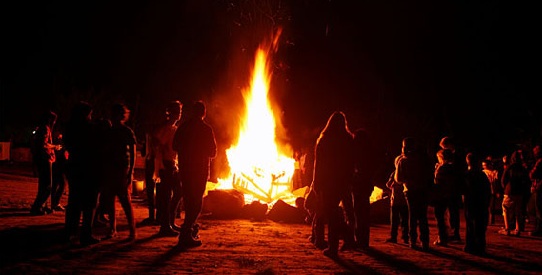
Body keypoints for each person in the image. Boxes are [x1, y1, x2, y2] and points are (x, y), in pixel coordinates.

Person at [310, 111, 355, 258]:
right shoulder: (348, 140)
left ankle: (335, 246)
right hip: (343, 182)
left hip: (329, 183)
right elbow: (351, 163)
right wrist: (349, 179)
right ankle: (347, 238)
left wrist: (316, 184)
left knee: (331, 214)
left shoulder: (325, 140)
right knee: (336, 213)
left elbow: (319, 165)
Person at [172, 100, 217, 248]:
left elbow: (174, 145)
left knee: (189, 199)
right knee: (196, 202)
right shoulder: (206, 129)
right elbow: (212, 152)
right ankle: (186, 233)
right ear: (203, 113)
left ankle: (189, 230)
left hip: (185, 169)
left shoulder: (184, 127)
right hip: (199, 170)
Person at [63, 101, 101, 246]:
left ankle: (70, 232)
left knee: (74, 201)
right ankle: (86, 233)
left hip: (74, 166)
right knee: (90, 203)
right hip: (88, 168)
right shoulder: (89, 128)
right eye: (90, 114)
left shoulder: (69, 128)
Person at [101, 103, 137, 240]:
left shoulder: (126, 131)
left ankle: (132, 230)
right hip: (110, 168)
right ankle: (112, 228)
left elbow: (133, 153)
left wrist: (130, 171)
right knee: (110, 200)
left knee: (124, 199)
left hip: (121, 169)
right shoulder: (109, 132)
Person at [394, 137, 433, 251]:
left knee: (412, 215)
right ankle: (425, 241)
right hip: (423, 190)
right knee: (423, 216)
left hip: (410, 190)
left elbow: (398, 178)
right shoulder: (423, 159)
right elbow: (429, 175)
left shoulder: (403, 160)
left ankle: (413, 240)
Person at [153, 100, 183, 236]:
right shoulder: (166, 128)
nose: (179, 114)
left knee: (177, 192)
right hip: (166, 164)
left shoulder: (174, 129)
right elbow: (158, 144)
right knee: (166, 196)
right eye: (177, 112)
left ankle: (170, 222)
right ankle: (165, 226)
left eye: (180, 112)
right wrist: (161, 164)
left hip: (172, 164)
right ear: (171, 113)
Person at [351, 128, 379, 248]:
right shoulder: (371, 152)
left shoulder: (357, 152)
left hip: (359, 184)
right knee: (364, 212)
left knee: (357, 212)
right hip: (367, 185)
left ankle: (359, 238)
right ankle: (364, 240)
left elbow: (355, 168)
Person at [30, 110, 61, 215]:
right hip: (45, 159)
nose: (55, 123)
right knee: (48, 186)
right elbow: (43, 144)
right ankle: (36, 207)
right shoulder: (45, 129)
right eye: (54, 120)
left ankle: (41, 206)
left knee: (43, 185)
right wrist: (55, 146)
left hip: (44, 159)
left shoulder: (44, 128)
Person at [463, 152, 491, 255]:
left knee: (470, 224)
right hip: (481, 202)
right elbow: (487, 189)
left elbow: (463, 188)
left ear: (468, 162)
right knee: (480, 225)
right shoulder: (481, 174)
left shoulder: (467, 174)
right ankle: (480, 246)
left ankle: (470, 245)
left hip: (470, 201)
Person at [438, 136, 465, 242]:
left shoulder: (455, 158)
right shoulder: (455, 157)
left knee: (451, 212)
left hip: (451, 189)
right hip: (454, 189)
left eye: (445, 147)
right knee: (452, 212)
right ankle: (453, 233)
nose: (444, 150)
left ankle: (452, 233)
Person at [499, 149, 531, 236]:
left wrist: (505, 187)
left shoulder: (510, 167)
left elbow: (503, 179)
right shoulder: (522, 168)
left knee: (505, 209)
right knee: (518, 211)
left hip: (509, 191)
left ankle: (507, 228)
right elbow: (527, 180)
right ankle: (517, 230)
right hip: (519, 191)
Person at [432, 149, 459, 247]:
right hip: (449, 194)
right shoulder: (452, 168)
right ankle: (447, 235)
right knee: (446, 216)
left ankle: (442, 238)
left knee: (440, 217)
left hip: (440, 195)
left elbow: (437, 181)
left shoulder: (442, 168)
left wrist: (436, 170)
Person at [385, 170, 409, 244]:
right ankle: (405, 237)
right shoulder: (408, 173)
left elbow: (388, 184)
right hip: (405, 201)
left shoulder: (395, 173)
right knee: (404, 220)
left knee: (394, 220)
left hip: (395, 201)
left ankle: (394, 237)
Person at [51, 128, 67, 212]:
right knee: (61, 184)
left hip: (58, 165)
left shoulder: (59, 141)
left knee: (55, 184)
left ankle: (53, 203)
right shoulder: (57, 141)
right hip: (58, 165)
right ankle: (55, 203)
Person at [482, 158, 502, 225]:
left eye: (485, 165)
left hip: (492, 191)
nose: (484, 166)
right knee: (485, 206)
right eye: (483, 165)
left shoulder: (494, 172)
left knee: (491, 207)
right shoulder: (483, 172)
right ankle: (485, 220)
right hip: (485, 191)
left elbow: (497, 182)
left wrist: (497, 191)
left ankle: (491, 220)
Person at [529, 144, 542, 236]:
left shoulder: (539, 162)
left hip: (539, 187)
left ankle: (539, 229)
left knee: (538, 209)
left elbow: (532, 174)